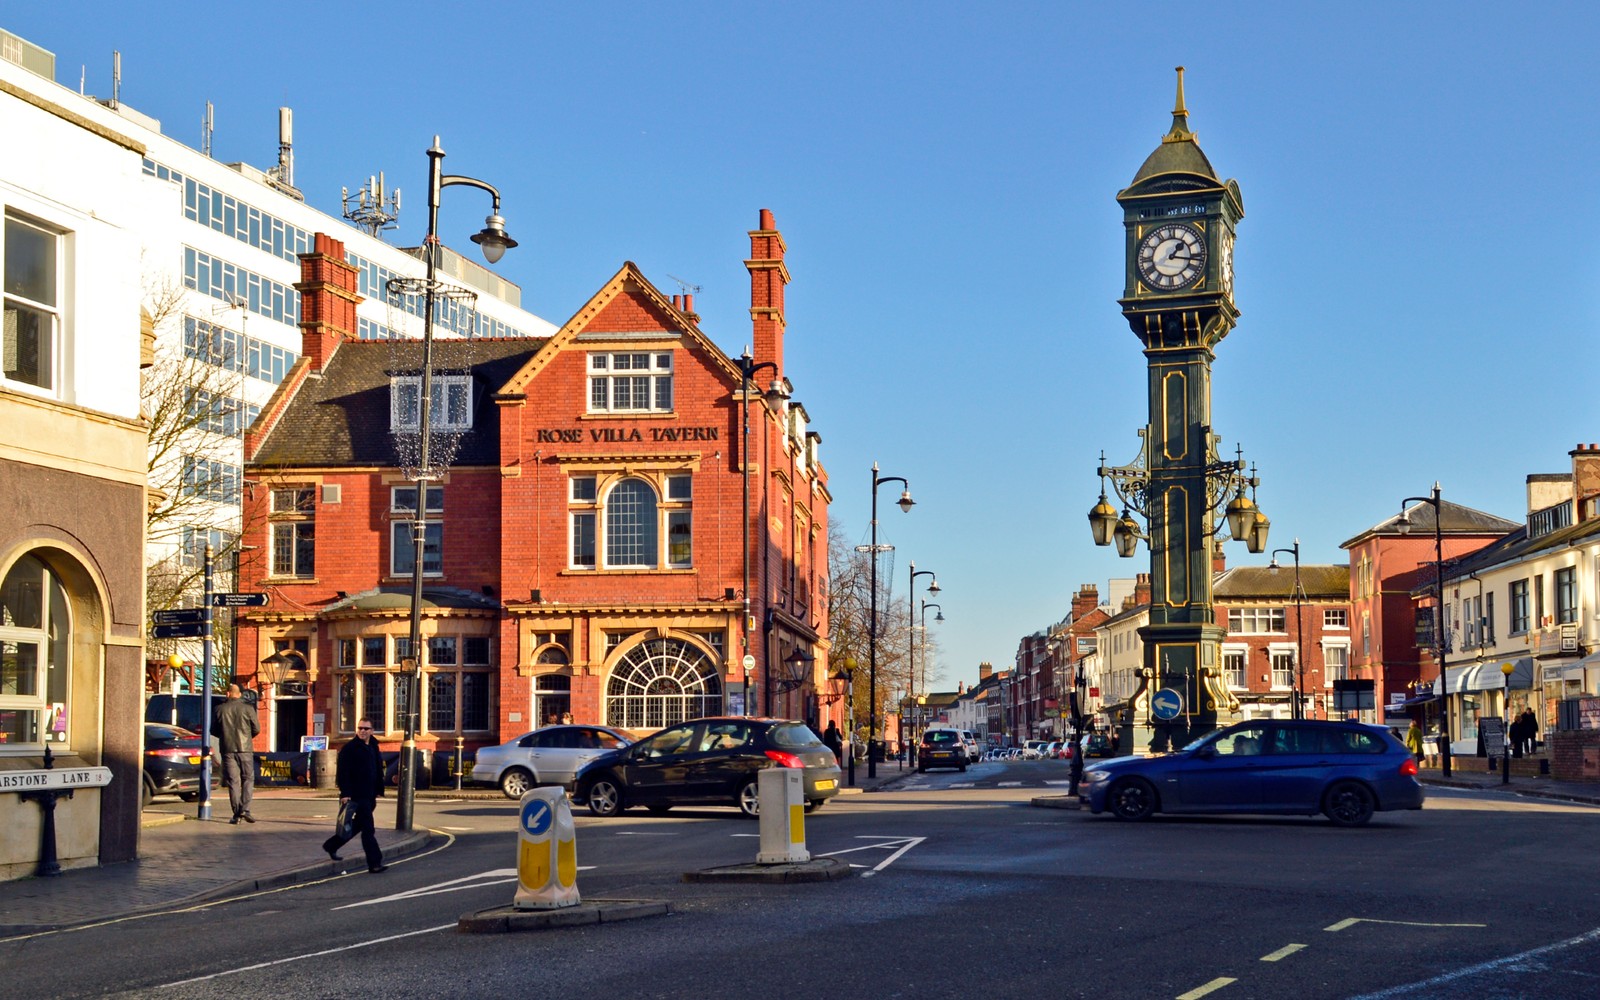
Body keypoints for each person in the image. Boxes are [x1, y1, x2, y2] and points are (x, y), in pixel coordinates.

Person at [323, 717, 387, 873]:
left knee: (358, 825)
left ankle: (331, 845)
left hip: (370, 795)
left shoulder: (373, 746)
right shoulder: (350, 748)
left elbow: (377, 769)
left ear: (372, 731)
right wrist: (345, 793)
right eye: (360, 728)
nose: (362, 731)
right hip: (356, 795)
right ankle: (374, 863)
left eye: (366, 729)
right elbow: (343, 773)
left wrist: (379, 790)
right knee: (368, 829)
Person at [214, 683, 259, 824]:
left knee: (233, 781)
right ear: (239, 694)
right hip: (245, 748)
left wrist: (225, 736)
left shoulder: (219, 709)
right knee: (248, 778)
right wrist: (246, 737)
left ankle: (236, 814)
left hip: (227, 749)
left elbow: (213, 729)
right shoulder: (248, 708)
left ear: (228, 694)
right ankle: (245, 809)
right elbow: (256, 728)